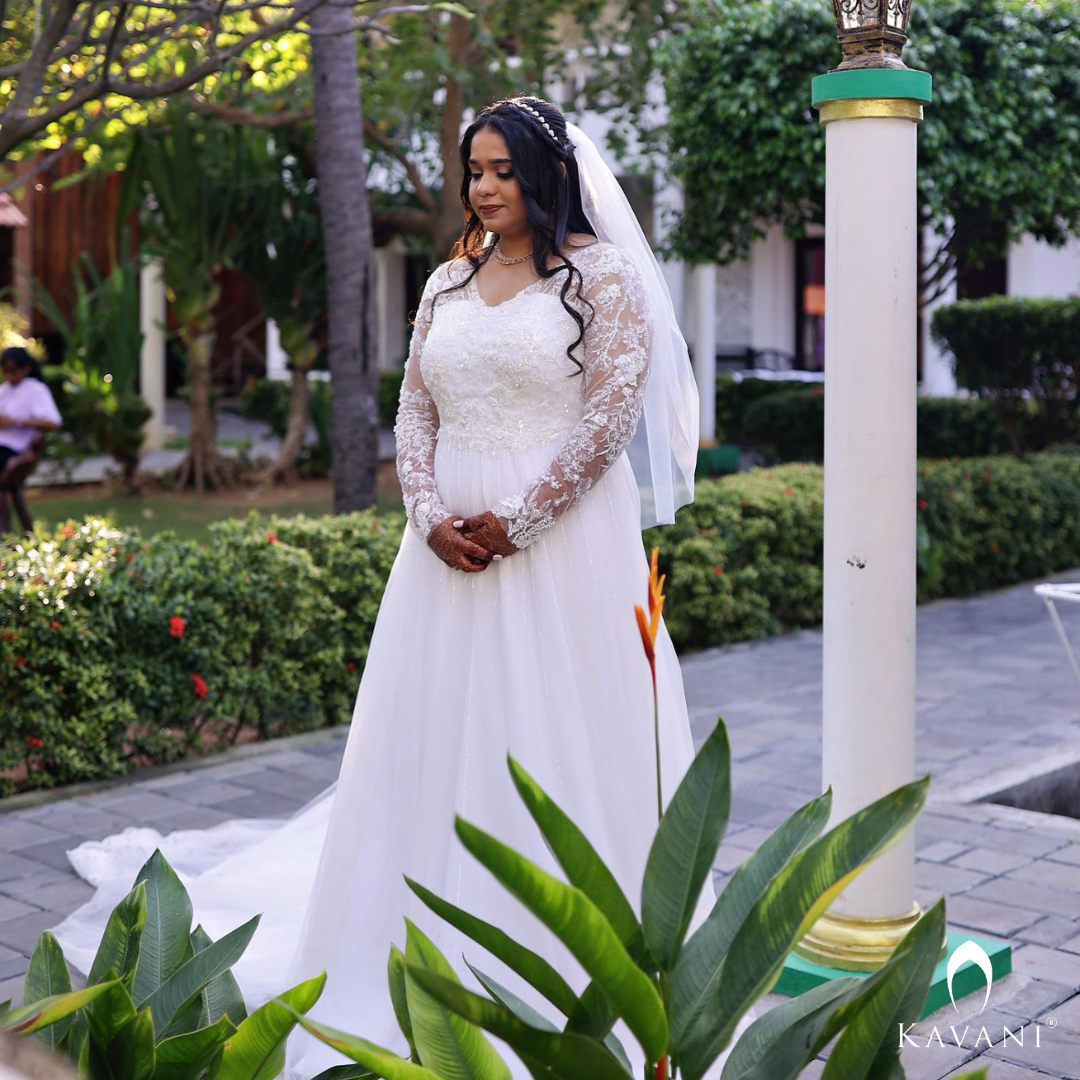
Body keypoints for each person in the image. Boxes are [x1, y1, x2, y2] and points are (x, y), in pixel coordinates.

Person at [53, 97, 743, 1077]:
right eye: (476, 170)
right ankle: (411, 947)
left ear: (548, 174)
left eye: (504, 169)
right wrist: (426, 513)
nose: (486, 187)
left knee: (548, 735)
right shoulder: (450, 279)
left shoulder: (609, 275)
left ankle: (566, 964)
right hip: (444, 556)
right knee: (435, 736)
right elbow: (412, 407)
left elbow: (606, 421)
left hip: (560, 551)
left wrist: (519, 521)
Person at [0, 347, 62, 535]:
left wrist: (16, 421)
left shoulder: (36, 390)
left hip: (14, 451)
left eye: (13, 371)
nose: (10, 376)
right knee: (11, 490)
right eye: (6, 371)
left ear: (25, 368)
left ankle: (4, 536)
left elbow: (54, 422)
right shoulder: (4, 390)